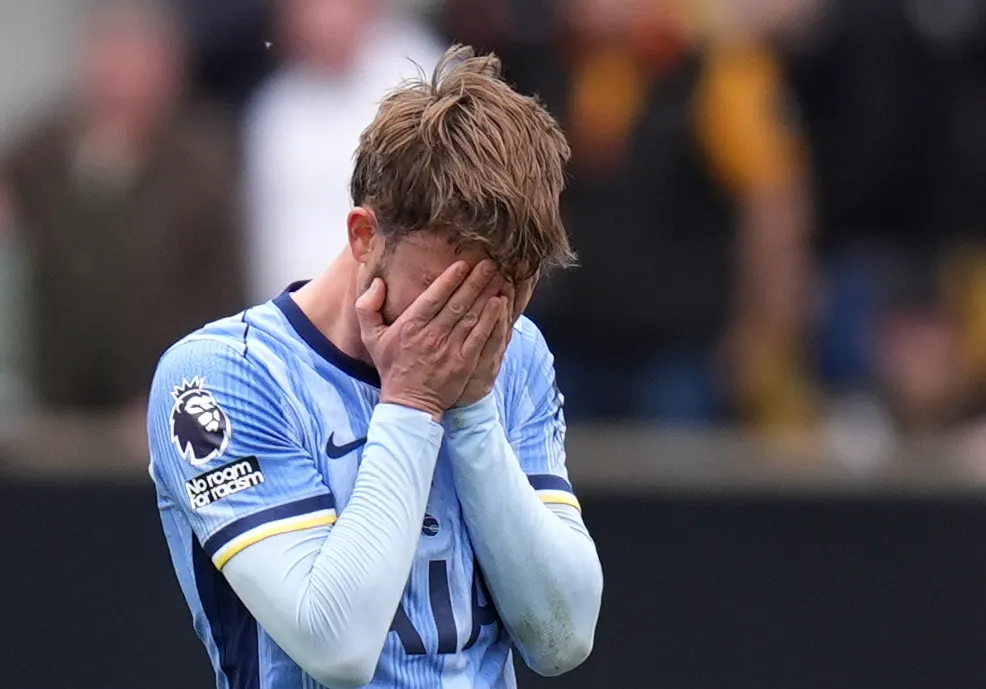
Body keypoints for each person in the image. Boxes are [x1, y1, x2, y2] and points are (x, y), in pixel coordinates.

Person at [146, 46, 603, 689]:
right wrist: (415, 402)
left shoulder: (516, 350)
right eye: (447, 287)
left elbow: (563, 636)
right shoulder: (221, 379)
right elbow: (335, 647)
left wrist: (471, 414)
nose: (474, 320)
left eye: (508, 288)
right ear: (365, 236)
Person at [0, 0, 245, 416]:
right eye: (111, 56)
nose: (122, 77)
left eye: (138, 59)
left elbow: (224, 292)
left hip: (158, 404)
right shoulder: (43, 150)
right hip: (57, 404)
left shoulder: (203, 162)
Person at [242, 0, 444, 302]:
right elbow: (265, 242)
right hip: (295, 321)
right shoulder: (273, 110)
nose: (324, 20)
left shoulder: (428, 82)